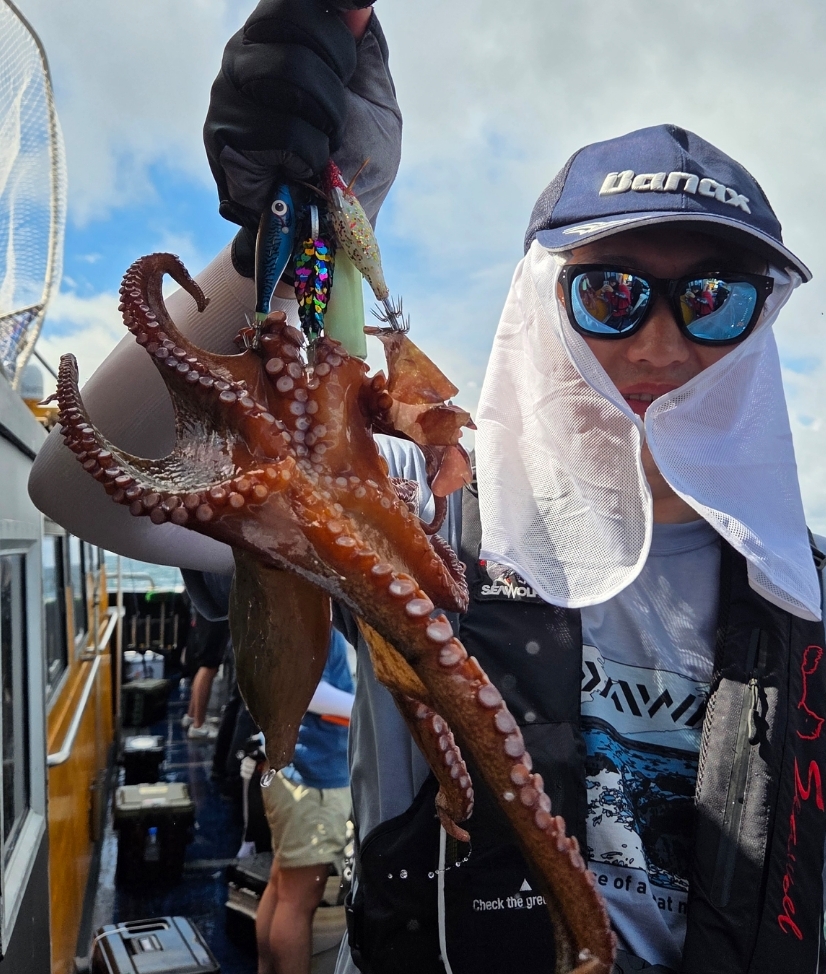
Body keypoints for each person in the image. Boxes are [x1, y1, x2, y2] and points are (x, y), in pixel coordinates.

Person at [27, 5, 826, 974]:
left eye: (714, 297)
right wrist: (276, 237)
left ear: (759, 325)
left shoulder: (805, 594)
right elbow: (82, 488)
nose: (660, 344)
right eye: (611, 292)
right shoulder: (433, 507)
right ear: (545, 308)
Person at [255, 626, 354, 974]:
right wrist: (365, 708)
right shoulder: (316, 621)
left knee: (283, 886)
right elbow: (308, 691)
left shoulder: (288, 614)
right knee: (298, 902)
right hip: (314, 782)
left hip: (288, 772)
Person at [183, 607, 229, 739]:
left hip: (205, 612)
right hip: (214, 614)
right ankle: (198, 725)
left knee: (204, 666)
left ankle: (192, 716)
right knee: (209, 667)